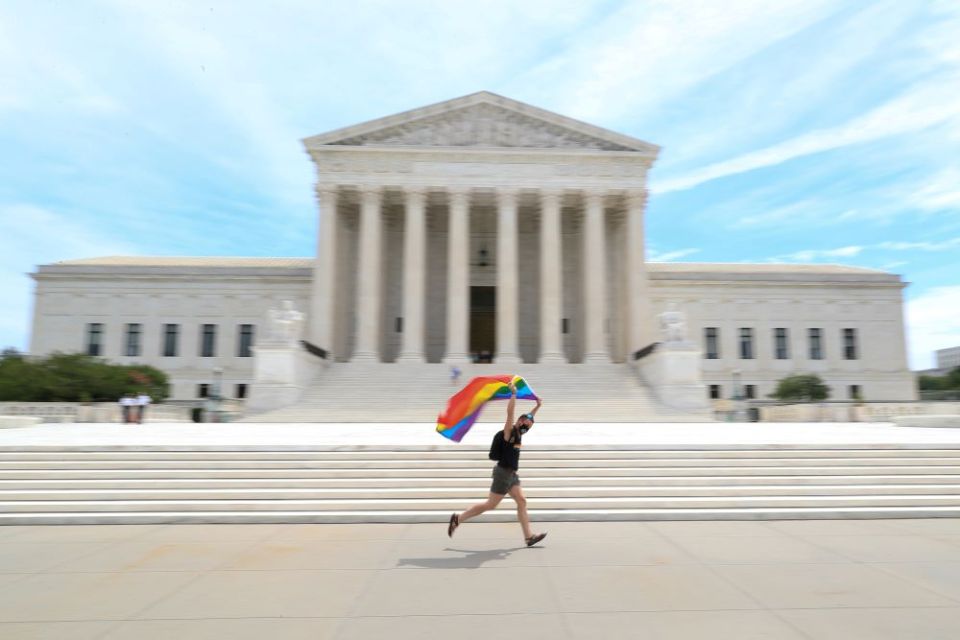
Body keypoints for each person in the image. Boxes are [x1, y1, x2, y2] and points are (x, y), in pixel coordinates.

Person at [447, 381, 546, 547]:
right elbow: (510, 414)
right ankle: (458, 519)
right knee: (490, 505)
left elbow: (529, 417)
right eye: (526, 422)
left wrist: (537, 407)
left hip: (512, 475)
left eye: (530, 424)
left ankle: (529, 537)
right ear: (519, 421)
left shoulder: (520, 434)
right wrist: (513, 394)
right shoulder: (509, 432)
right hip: (503, 474)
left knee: (521, 501)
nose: (528, 425)